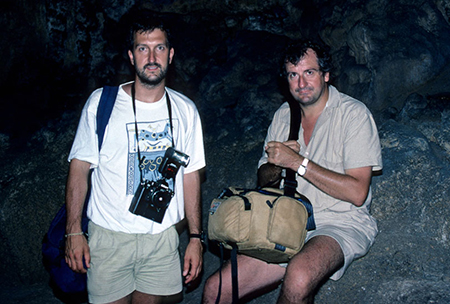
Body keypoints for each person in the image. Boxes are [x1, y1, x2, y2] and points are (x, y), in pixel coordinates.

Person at [203, 40, 382, 303]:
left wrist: (297, 161)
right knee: (217, 288)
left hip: (340, 222)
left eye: (309, 72)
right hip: (286, 222)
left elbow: (357, 192)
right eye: (293, 75)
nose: (301, 83)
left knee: (299, 275)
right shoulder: (284, 116)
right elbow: (264, 181)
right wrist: (276, 164)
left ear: (326, 75)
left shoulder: (353, 115)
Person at [64, 13, 206, 304]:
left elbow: (191, 175)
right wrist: (73, 231)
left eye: (160, 48)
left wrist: (195, 238)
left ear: (171, 55)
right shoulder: (101, 104)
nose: (152, 56)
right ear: (131, 56)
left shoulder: (186, 110)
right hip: (110, 237)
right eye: (143, 48)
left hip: (162, 238)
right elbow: (79, 168)